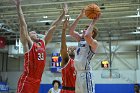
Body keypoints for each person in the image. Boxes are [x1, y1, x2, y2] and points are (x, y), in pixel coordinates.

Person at [13, 0, 68, 93]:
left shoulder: (43, 43)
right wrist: (18, 7)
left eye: (35, 32)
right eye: (32, 32)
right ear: (28, 36)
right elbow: (23, 26)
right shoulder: (28, 44)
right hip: (27, 80)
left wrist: (63, 14)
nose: (35, 32)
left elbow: (53, 27)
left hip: (37, 81)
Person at [69, 9, 100, 93]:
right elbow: (71, 31)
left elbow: (87, 35)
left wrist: (94, 22)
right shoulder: (80, 40)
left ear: (92, 33)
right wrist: (79, 17)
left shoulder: (93, 43)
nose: (83, 31)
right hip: (78, 74)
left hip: (86, 74)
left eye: (85, 29)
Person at [60, 17, 76, 93]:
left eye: (74, 49)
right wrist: (64, 30)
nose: (72, 49)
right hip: (66, 90)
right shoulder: (66, 59)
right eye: (70, 48)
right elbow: (63, 46)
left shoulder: (80, 62)